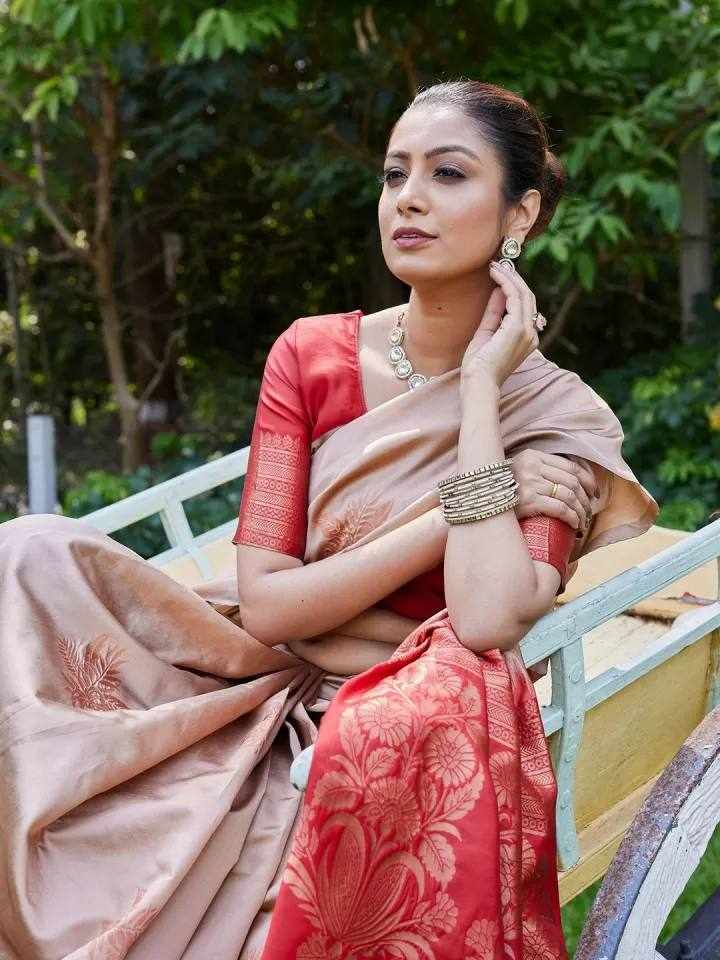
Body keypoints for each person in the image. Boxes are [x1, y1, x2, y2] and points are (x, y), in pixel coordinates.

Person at [0, 80, 658, 960]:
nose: (408, 198)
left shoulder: (556, 418)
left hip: (382, 708)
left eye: (448, 174)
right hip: (240, 664)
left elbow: (485, 618)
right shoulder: (309, 354)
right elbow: (267, 607)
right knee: (29, 552)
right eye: (394, 174)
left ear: (521, 213)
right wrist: (467, 502)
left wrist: (478, 391)